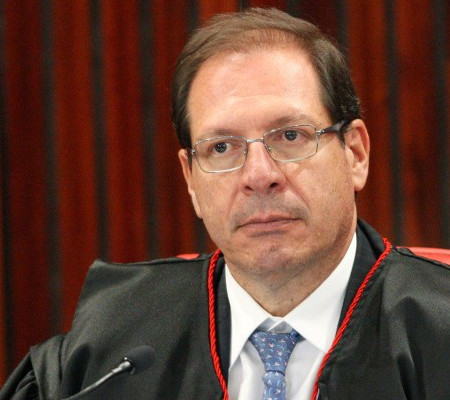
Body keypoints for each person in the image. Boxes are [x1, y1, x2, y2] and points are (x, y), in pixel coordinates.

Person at [1, 7, 449, 400]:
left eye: (290, 136)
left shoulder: (440, 333)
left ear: (355, 154)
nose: (259, 175)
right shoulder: (109, 349)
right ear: (190, 181)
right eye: (221, 147)